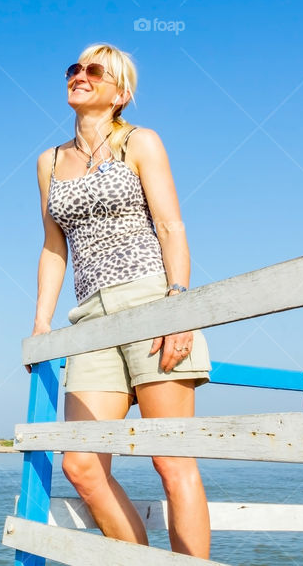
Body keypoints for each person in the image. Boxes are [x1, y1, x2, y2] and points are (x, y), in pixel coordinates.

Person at [30, 42, 212, 558]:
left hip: (151, 302)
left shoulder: (140, 142)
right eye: (74, 68)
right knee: (81, 464)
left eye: (94, 71)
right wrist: (42, 322)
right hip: (88, 319)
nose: (79, 75)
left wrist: (179, 306)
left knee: (171, 460)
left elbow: (170, 225)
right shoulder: (50, 161)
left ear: (121, 92)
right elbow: (52, 245)